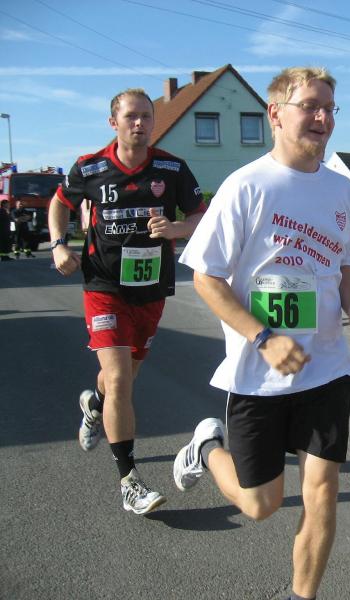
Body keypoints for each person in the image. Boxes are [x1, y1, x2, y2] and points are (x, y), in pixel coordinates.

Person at [173, 67, 350, 600]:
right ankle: (207, 445)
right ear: (275, 114)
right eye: (310, 106)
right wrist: (264, 337)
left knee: (322, 491)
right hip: (257, 373)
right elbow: (206, 277)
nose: (322, 117)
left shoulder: (343, 192)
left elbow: (343, 265)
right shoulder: (245, 186)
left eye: (329, 108)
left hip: (326, 367)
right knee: (261, 504)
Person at [49, 87, 206, 515]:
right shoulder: (90, 167)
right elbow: (59, 204)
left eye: (146, 116)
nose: (140, 123)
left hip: (151, 288)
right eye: (131, 116)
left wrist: (176, 229)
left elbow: (200, 215)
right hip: (103, 287)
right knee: (119, 379)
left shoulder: (171, 168)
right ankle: (129, 482)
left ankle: (93, 405)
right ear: (113, 122)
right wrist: (59, 245)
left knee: (124, 378)